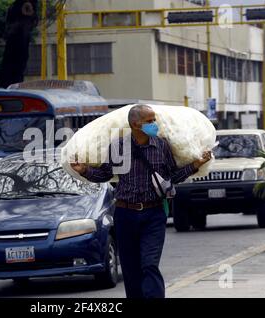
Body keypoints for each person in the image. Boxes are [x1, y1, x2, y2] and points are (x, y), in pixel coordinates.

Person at [71, 105, 212, 298]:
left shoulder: (161, 146)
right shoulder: (118, 147)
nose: (155, 124)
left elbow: (171, 176)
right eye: (150, 121)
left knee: (150, 264)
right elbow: (105, 174)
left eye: (154, 120)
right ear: (136, 124)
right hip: (125, 214)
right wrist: (84, 170)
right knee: (131, 270)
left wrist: (196, 165)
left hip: (153, 214)